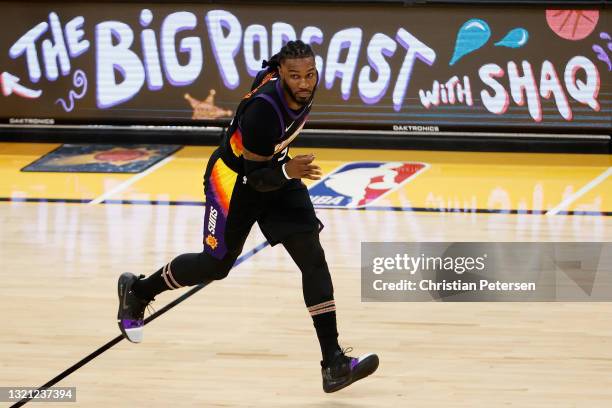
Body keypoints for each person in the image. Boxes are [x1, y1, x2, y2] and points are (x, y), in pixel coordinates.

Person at [117, 40, 378, 393]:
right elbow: (256, 179)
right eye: (295, 76)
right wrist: (289, 172)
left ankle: (333, 362)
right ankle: (139, 290)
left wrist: (285, 172)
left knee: (313, 260)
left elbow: (271, 164)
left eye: (310, 75)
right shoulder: (263, 112)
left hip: (276, 171)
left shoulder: (297, 85)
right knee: (215, 265)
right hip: (236, 181)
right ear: (281, 75)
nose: (304, 83)